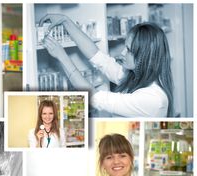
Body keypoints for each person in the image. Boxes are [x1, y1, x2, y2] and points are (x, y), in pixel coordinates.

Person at [40, 15, 174, 118]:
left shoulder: (152, 98)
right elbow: (99, 58)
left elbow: (95, 97)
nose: (123, 52)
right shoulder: (137, 77)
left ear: (145, 56)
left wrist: (62, 57)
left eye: (128, 49)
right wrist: (65, 21)